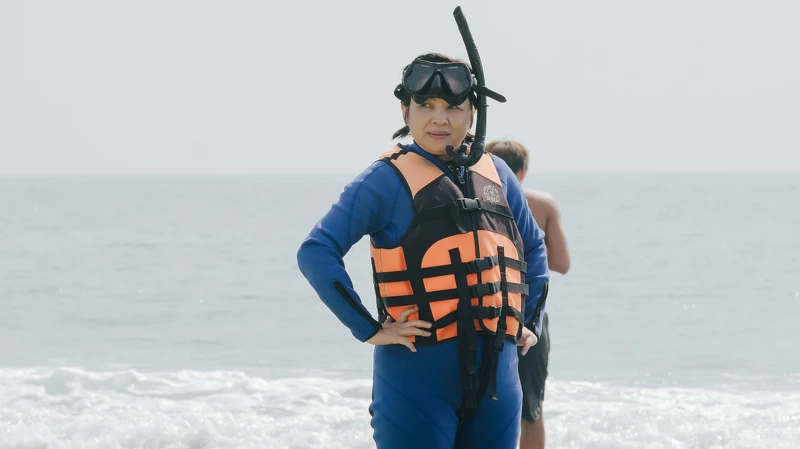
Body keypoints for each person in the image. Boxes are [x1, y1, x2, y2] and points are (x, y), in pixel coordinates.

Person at [296, 12, 551, 447]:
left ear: (473, 112)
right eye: (426, 106)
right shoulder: (384, 180)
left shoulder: (499, 174)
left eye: (453, 107)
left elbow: (534, 250)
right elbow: (316, 251)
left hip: (499, 380)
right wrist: (369, 328)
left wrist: (528, 322)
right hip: (416, 380)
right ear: (405, 110)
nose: (439, 119)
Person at [487, 140, 571, 449]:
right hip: (528, 316)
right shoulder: (543, 205)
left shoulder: (472, 199)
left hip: (483, 310)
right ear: (522, 172)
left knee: (479, 405)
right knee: (531, 410)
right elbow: (561, 263)